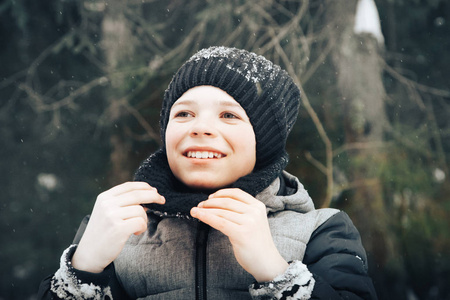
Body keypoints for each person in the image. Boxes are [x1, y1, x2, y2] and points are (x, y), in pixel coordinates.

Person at [38, 46, 378, 299]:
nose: (200, 128)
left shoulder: (323, 229)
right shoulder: (114, 226)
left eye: (229, 116)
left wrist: (276, 272)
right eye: (183, 114)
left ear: (265, 142)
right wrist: (82, 270)